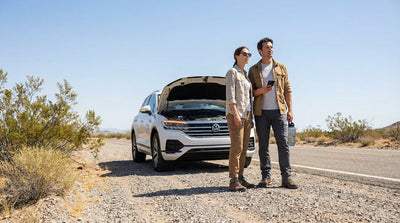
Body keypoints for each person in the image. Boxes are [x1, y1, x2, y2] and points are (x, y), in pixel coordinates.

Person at [248, 37, 298, 189]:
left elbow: (287, 89)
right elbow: (250, 93)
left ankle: (287, 177)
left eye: (271, 47)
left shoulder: (281, 67)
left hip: (279, 112)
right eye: (267, 48)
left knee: (283, 144)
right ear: (260, 51)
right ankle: (266, 176)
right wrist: (260, 91)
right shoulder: (253, 70)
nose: (270, 50)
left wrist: (290, 110)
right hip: (261, 112)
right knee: (263, 145)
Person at [226, 46, 256, 192]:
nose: (247, 56)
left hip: (247, 115)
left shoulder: (245, 74)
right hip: (235, 115)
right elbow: (230, 96)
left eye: (249, 54)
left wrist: (251, 118)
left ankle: (241, 177)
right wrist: (236, 114)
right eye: (244, 54)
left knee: (244, 148)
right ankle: (233, 179)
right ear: (236, 56)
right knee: (236, 147)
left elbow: (249, 99)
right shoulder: (232, 72)